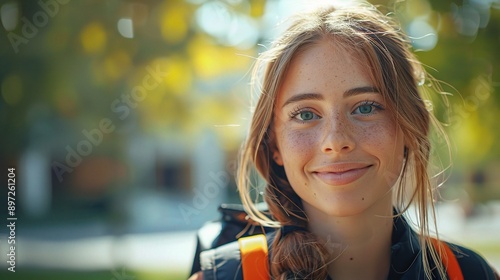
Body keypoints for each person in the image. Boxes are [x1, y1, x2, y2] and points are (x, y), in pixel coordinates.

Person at [190, 2, 499, 279]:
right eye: (306, 114)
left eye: (365, 107)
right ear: (274, 146)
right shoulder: (226, 275)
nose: (336, 141)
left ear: (409, 125)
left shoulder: (469, 273)